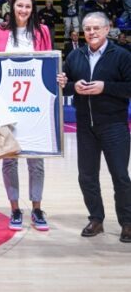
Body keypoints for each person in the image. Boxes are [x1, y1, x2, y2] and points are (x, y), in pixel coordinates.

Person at [58, 12, 131, 243]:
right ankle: (96, 219)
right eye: (87, 29)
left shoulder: (122, 55)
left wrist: (105, 87)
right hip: (84, 126)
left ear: (108, 28)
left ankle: (127, 223)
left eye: (96, 28)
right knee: (87, 176)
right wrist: (71, 86)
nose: (91, 32)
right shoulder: (75, 55)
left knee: (120, 176)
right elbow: (64, 85)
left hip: (114, 126)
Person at [0, 0, 52, 231]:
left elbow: (48, 64)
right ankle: (15, 209)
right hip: (7, 105)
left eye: (28, 6)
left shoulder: (42, 31)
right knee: (9, 160)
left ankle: (37, 208)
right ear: (12, 7)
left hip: (34, 105)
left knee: (36, 159)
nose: (23, 10)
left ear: (32, 9)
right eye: (20, 6)